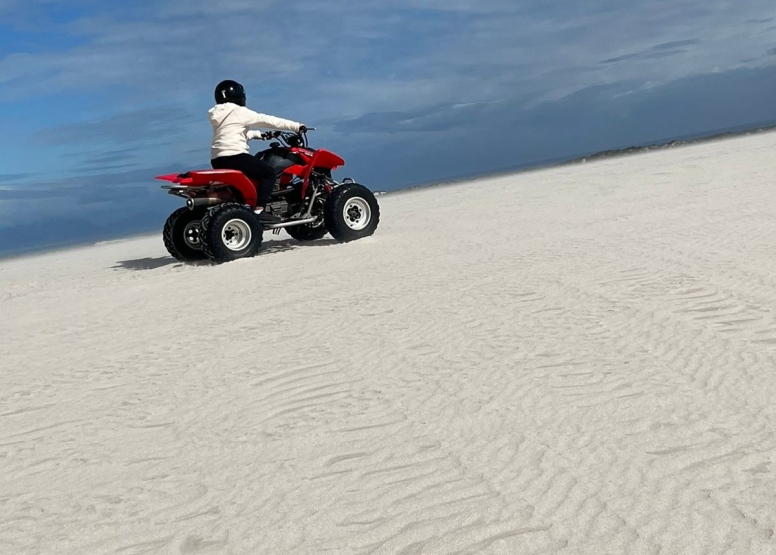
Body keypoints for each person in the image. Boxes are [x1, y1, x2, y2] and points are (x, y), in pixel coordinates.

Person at [209, 79, 306, 224]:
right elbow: (268, 120)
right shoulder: (239, 111)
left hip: (217, 159)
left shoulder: (218, 115)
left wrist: (259, 135)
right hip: (235, 156)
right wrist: (296, 126)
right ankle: (260, 210)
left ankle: (247, 204)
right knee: (269, 173)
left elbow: (234, 134)